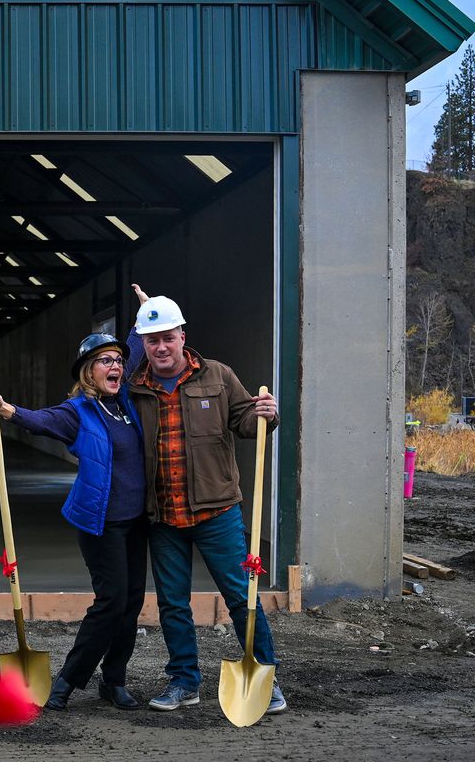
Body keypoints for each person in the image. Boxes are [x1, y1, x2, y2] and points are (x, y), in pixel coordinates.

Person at [124, 284, 286, 714]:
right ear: (143, 343)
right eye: (152, 340)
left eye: (168, 337)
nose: (161, 347)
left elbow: (246, 424)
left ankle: (264, 676)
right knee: (172, 603)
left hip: (217, 511)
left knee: (240, 597)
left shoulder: (217, 375)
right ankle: (184, 682)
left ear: (182, 335)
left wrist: (268, 414)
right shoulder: (133, 387)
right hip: (162, 515)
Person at [0, 333, 149, 712]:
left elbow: (135, 353)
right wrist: (6, 409)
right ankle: (68, 679)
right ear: (87, 372)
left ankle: (114, 681)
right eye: (105, 361)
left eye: (117, 360)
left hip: (136, 521)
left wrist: (143, 319)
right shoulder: (77, 411)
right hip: (100, 521)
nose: (115, 366)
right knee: (111, 601)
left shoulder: (127, 402)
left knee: (131, 603)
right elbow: (41, 420)